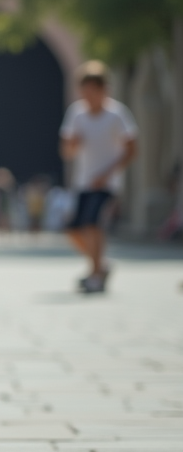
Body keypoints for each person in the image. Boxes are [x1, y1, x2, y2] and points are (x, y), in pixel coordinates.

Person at [60, 60, 138, 293]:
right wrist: (73, 145)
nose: (88, 96)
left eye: (93, 91)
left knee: (93, 224)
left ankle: (95, 276)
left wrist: (108, 174)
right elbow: (66, 151)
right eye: (84, 91)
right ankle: (100, 265)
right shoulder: (76, 113)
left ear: (104, 90)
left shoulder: (117, 114)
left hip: (107, 183)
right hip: (83, 181)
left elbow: (132, 149)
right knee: (75, 230)